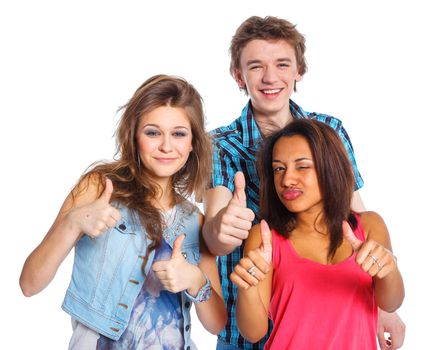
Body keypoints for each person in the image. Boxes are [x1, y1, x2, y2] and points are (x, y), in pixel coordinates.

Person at [202, 15, 405, 350]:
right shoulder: (220, 144)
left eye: (282, 64)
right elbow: (214, 233)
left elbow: (355, 221)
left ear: (299, 71)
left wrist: (383, 304)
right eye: (255, 66)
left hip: (329, 317)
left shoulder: (330, 131)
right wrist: (221, 229)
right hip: (248, 325)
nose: (270, 77)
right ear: (239, 75)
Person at [19, 74, 227, 349]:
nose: (166, 146)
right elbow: (29, 284)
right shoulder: (98, 188)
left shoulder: (194, 220)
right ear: (134, 135)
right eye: (153, 132)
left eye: (178, 133)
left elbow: (217, 324)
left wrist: (195, 280)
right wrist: (72, 223)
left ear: (192, 143)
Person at [230, 119, 405, 349]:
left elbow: (390, 302)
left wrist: (388, 270)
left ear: (330, 167)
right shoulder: (265, 238)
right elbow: (253, 332)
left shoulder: (370, 226)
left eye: (302, 166)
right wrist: (248, 287)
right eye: (278, 168)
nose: (287, 179)